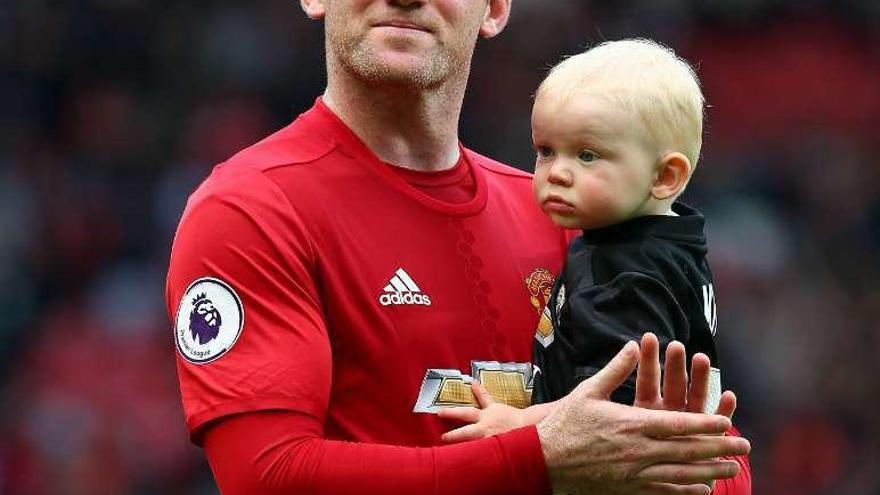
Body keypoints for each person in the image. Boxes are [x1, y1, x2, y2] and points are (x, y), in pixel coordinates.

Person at [166, 2, 749, 494]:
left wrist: (656, 469)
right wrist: (541, 457)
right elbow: (268, 476)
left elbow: (720, 460)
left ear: (495, 6)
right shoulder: (252, 210)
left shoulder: (574, 216)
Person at [438, 39, 751, 493]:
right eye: (546, 150)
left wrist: (521, 427)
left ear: (665, 177)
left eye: (587, 155)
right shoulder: (670, 243)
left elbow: (611, 416)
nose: (558, 173)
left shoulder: (627, 273)